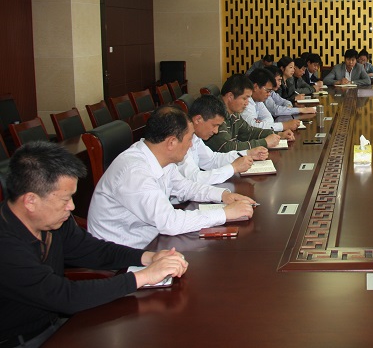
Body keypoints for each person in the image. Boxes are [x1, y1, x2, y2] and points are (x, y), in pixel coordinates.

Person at [0, 141, 189, 347]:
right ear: (30, 201)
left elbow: (93, 250)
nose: (71, 206)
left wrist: (147, 257)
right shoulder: (6, 245)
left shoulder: (52, 221)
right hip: (21, 340)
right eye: (65, 199)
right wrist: (144, 277)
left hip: (57, 324)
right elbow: (64, 296)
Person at [88, 106, 257, 248]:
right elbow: (169, 222)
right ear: (171, 142)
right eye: (189, 139)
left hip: (153, 240)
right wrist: (224, 213)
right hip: (127, 254)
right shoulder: (135, 172)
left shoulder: (161, 158)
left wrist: (223, 195)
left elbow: (185, 187)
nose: (191, 145)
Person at [178, 94, 268, 188]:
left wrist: (248, 153)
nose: (216, 131)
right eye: (214, 125)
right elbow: (194, 179)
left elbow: (212, 160)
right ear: (198, 119)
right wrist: (233, 168)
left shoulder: (195, 138)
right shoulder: (180, 140)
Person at [205, 74, 292, 153]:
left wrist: (278, 134)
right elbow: (227, 147)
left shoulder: (233, 113)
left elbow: (248, 132)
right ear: (230, 96)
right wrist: (264, 142)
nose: (247, 103)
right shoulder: (215, 114)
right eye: (244, 98)